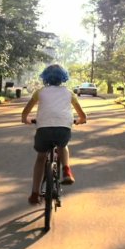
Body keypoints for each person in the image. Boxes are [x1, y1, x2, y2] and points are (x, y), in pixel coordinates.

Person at [21, 64, 87, 205]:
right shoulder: (69, 93)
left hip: (43, 129)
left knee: (41, 158)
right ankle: (66, 170)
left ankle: (34, 193)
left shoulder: (40, 92)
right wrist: (80, 121)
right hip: (63, 128)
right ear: (63, 78)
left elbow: (25, 113)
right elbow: (83, 115)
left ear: (45, 78)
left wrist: (26, 120)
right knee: (63, 146)